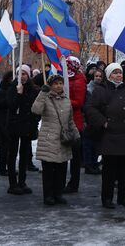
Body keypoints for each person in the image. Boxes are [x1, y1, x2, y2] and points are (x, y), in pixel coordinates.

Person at [86, 63, 125, 208]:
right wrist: (103, 122)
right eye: (115, 73)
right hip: (110, 136)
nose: (119, 75)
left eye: (120, 72)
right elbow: (91, 109)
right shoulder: (101, 90)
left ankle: (123, 197)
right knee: (109, 170)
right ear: (109, 75)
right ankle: (107, 198)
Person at [31, 75, 80, 205]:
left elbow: (70, 120)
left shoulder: (66, 99)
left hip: (63, 140)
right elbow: (35, 110)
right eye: (56, 83)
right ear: (51, 85)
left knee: (61, 169)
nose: (58, 86)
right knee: (48, 170)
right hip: (49, 139)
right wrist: (43, 92)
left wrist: (76, 134)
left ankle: (58, 193)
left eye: (60, 83)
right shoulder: (45, 98)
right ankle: (48, 195)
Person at [6, 65, 40, 195]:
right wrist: (19, 94)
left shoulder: (32, 89)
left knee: (24, 154)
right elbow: (12, 106)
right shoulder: (12, 88)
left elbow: (35, 107)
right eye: (19, 73)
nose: (22, 76)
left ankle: (22, 182)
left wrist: (35, 121)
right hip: (14, 126)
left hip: (27, 126)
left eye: (24, 73)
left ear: (28, 75)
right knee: (13, 154)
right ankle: (12, 184)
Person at [63, 56, 86, 194]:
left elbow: (79, 102)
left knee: (75, 157)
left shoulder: (78, 81)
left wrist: (63, 101)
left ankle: (73, 183)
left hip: (74, 123)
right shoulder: (67, 79)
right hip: (65, 121)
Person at [83, 68, 105, 174]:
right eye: (96, 76)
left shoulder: (103, 89)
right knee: (89, 144)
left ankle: (94, 163)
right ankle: (88, 165)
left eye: (100, 76)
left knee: (96, 144)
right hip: (89, 121)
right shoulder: (88, 89)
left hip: (99, 121)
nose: (98, 78)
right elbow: (86, 106)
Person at [0, 71, 13, 177]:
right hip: (2, 122)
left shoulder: (11, 90)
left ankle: (6, 168)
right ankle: (2, 169)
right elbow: (0, 105)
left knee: (7, 147)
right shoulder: (1, 91)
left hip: (9, 121)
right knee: (3, 146)